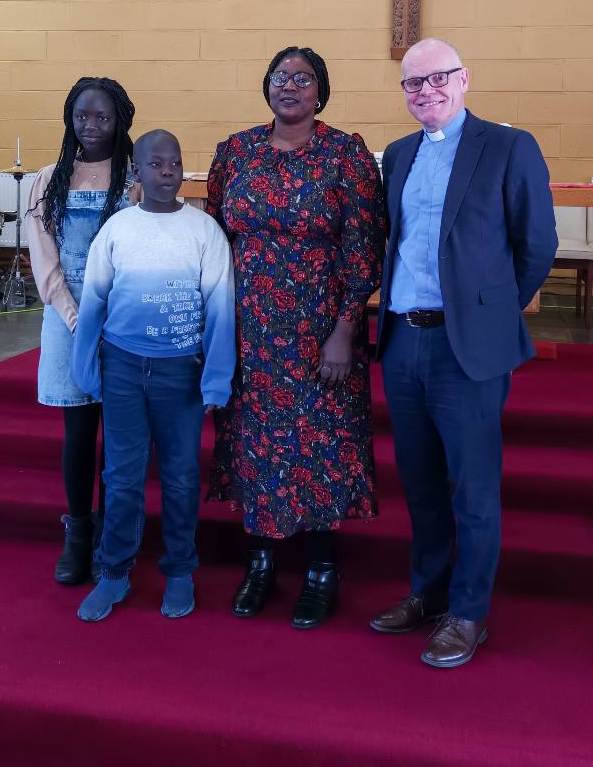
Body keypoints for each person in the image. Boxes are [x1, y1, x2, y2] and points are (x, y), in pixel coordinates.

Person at [370, 38, 557, 667]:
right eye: (413, 83)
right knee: (420, 484)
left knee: (472, 489)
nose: (426, 90)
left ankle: (469, 612)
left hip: (465, 349)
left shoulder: (508, 147)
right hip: (402, 341)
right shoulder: (397, 155)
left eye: (438, 78)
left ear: (465, 78)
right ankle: (428, 591)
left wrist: (488, 316)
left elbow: (535, 246)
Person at [206, 46, 385, 629]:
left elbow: (363, 248)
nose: (290, 87)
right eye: (281, 77)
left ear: (320, 89)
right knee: (253, 442)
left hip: (319, 333)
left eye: (303, 79)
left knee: (319, 447)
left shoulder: (345, 154)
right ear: (266, 85)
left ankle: (320, 571)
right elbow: (212, 239)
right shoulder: (236, 152)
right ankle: (259, 565)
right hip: (248, 330)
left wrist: (345, 330)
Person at [71, 130, 235, 622]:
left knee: (182, 478)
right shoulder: (118, 229)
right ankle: (114, 571)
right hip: (122, 368)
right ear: (136, 173)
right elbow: (94, 302)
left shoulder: (204, 230)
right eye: (156, 163)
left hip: (180, 373)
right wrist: (86, 367)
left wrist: (216, 379)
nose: (168, 171)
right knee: (121, 478)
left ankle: (180, 569)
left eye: (175, 162)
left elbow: (221, 307)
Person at [26, 76, 138, 585]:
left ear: (120, 122)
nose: (91, 126)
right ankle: (78, 532)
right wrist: (77, 318)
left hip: (122, 319)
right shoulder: (48, 179)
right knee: (78, 429)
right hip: (67, 316)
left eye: (102, 117)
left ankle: (116, 535)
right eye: (82, 116)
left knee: (117, 433)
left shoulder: (135, 178)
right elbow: (44, 257)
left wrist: (111, 317)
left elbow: (140, 253)